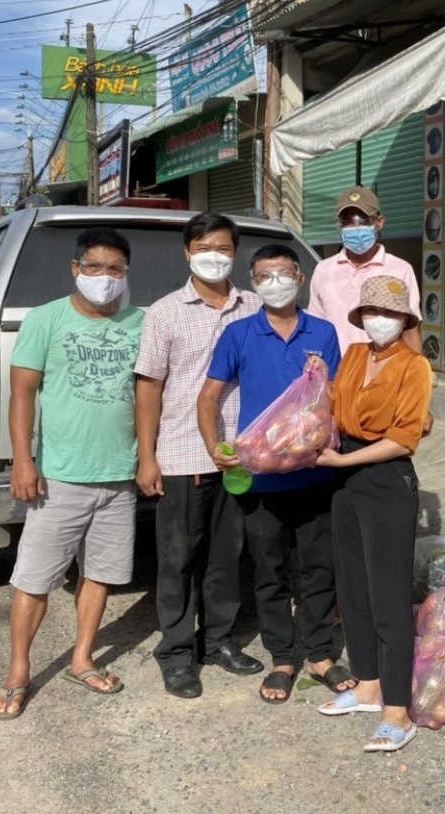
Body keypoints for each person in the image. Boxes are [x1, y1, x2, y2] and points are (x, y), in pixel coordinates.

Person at [0, 227, 141, 719]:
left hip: (119, 477)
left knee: (100, 574)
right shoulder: (45, 320)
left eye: (114, 269)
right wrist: (23, 460)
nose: (104, 277)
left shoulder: (141, 322)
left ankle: (82, 657)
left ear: (125, 275)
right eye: (94, 267)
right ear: (75, 269)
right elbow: (22, 395)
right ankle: (17, 670)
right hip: (60, 476)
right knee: (34, 579)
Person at [197, 244, 355, 705]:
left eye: (282, 274)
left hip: (315, 475)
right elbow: (209, 398)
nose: (274, 283)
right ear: (253, 282)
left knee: (319, 568)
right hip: (262, 479)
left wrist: (326, 379)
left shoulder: (323, 332)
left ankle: (321, 655)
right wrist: (215, 447)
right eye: (264, 276)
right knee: (268, 572)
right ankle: (282, 657)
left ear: (300, 279)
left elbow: (338, 398)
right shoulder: (239, 333)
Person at [134, 212, 264, 700]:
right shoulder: (164, 312)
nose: (215, 256)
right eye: (205, 247)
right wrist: (147, 457)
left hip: (240, 456)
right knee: (179, 558)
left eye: (225, 248)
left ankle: (218, 642)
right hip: (184, 454)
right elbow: (148, 388)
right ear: (187, 253)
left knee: (227, 557)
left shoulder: (254, 306)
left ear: (236, 253)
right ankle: (175, 652)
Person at [314, 276, 433, 753]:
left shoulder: (415, 366)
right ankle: (366, 685)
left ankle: (398, 711)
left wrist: (343, 459)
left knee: (387, 595)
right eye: (371, 312)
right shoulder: (356, 356)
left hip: (386, 476)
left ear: (405, 320)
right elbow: (337, 408)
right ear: (361, 318)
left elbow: (404, 438)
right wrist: (318, 381)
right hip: (346, 481)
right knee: (354, 587)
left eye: (390, 313)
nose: (379, 319)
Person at [308, 185, 433, 436]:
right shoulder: (324, 270)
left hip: (383, 383)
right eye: (347, 221)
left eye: (362, 220)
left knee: (380, 456)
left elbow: (410, 334)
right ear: (339, 225)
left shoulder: (400, 269)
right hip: (334, 383)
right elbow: (315, 331)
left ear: (379, 222)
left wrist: (420, 399)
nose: (355, 228)